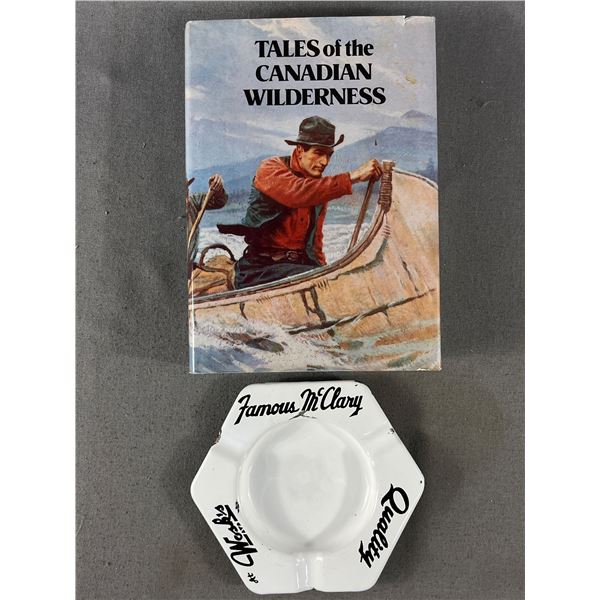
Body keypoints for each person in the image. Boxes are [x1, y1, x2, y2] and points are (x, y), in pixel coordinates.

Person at [217, 116, 382, 289]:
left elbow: (315, 244)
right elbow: (297, 192)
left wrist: (325, 271)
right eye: (318, 153)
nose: (325, 161)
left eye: (329, 154)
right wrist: (354, 177)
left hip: (299, 267)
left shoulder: (319, 189)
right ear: (300, 150)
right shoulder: (270, 168)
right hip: (261, 268)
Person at [187, 174, 228, 275]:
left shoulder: (193, 202)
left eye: (186, 190)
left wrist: (217, 190)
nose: (186, 199)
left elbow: (219, 202)